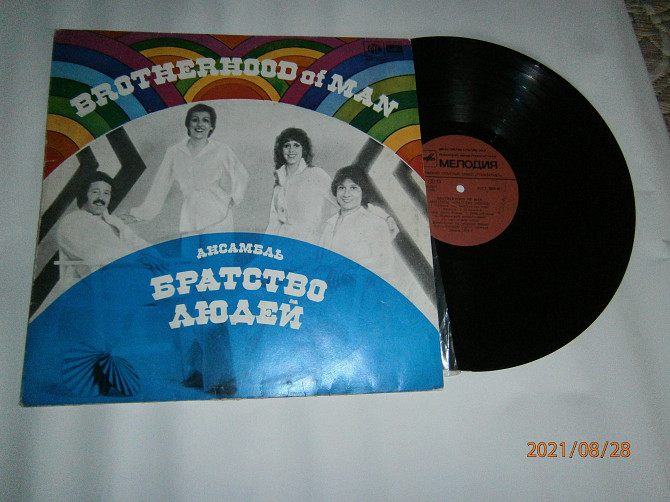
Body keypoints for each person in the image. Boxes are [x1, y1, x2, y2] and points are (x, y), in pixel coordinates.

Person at [123, 103, 249, 237]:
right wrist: (140, 214)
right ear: (188, 124)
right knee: (190, 250)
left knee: (219, 250)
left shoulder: (221, 149)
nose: (199, 124)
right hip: (190, 214)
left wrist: (234, 198)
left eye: (205, 120)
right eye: (195, 120)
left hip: (218, 212)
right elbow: (160, 185)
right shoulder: (174, 152)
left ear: (212, 126)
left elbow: (241, 174)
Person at [56, 171, 150, 290]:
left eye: (106, 193)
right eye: (95, 192)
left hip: (126, 273)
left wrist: (157, 259)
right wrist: (137, 259)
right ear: (84, 194)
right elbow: (95, 253)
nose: (101, 198)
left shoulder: (112, 220)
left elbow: (137, 243)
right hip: (96, 282)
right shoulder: (73, 221)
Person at [318, 166, 396, 283]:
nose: (346, 194)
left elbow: (385, 261)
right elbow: (320, 262)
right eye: (341, 188)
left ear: (362, 191)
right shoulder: (329, 224)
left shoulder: (375, 223)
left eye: (353, 188)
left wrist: (350, 266)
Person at [265, 127, 336, 245]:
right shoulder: (280, 180)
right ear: (281, 150)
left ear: (304, 149)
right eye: (286, 145)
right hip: (282, 244)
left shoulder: (316, 174)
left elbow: (341, 202)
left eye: (296, 145)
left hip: (308, 243)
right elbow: (274, 222)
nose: (291, 150)